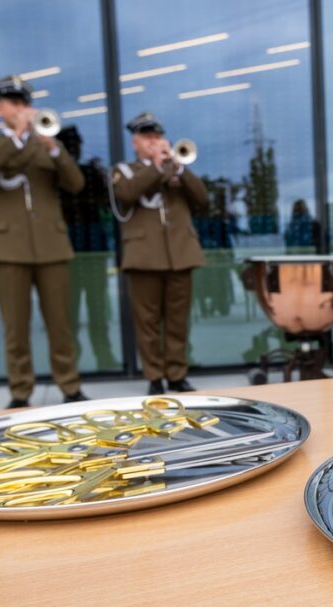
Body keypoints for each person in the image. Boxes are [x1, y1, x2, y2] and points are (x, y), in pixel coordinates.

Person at [0, 75, 87, 408]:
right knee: (15, 327)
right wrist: (19, 137)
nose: (22, 110)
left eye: (25, 104)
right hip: (9, 250)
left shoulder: (46, 143)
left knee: (61, 323)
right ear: (1, 108)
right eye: (15, 104)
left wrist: (53, 146)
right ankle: (21, 392)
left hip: (51, 245)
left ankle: (70, 386)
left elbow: (76, 183)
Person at [110, 112, 208, 395]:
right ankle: (154, 377)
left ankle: (177, 375)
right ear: (135, 142)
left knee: (177, 320)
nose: (154, 141)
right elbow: (127, 194)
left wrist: (179, 169)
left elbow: (202, 199)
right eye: (147, 137)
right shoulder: (124, 170)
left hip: (180, 254)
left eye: (156, 136)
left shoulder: (174, 167)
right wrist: (155, 166)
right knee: (148, 322)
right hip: (144, 258)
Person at [55, 125, 119, 371]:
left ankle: (103, 355)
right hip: (69, 251)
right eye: (71, 145)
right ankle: (73, 361)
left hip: (93, 249)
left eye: (77, 144)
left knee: (97, 310)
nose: (75, 149)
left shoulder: (90, 173)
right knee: (69, 313)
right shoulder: (57, 175)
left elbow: (106, 203)